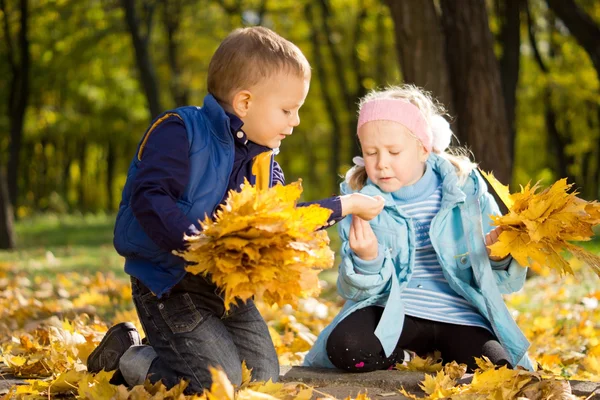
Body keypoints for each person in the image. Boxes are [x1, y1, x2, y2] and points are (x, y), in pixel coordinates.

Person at [86, 26, 384, 393]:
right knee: (215, 384)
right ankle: (127, 357)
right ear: (245, 103)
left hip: (226, 286)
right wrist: (199, 243)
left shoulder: (264, 163)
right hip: (169, 283)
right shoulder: (179, 130)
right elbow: (151, 197)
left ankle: (175, 354)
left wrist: (347, 204)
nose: (296, 121)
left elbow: (282, 221)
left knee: (261, 377)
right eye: (288, 110)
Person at [304, 84, 534, 373]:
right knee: (345, 346)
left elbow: (506, 283)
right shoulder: (359, 199)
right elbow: (355, 290)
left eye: (394, 151)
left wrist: (498, 256)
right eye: (371, 152)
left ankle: (446, 356)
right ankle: (405, 359)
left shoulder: (467, 191)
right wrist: (367, 259)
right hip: (393, 314)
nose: (381, 163)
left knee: (498, 367)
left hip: (459, 316)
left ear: (424, 148)